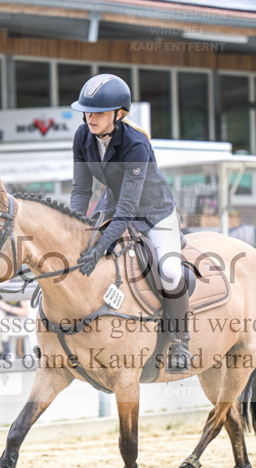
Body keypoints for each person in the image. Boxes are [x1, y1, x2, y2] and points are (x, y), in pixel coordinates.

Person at [69, 73, 191, 373]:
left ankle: (180, 341)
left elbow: (129, 207)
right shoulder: (82, 136)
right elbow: (81, 190)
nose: (89, 117)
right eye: (86, 111)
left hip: (154, 214)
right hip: (114, 208)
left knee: (171, 271)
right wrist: (74, 228)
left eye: (97, 112)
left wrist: (100, 246)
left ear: (119, 113)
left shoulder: (136, 144)